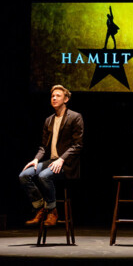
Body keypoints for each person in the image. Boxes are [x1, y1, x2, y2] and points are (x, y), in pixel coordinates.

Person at [19, 85, 84, 227]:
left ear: (66, 99)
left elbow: (77, 145)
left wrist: (62, 159)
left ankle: (52, 211)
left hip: (66, 164)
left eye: (58, 96)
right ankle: (41, 207)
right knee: (24, 175)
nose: (54, 98)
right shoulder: (49, 120)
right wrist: (36, 159)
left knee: (43, 176)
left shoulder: (75, 117)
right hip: (51, 161)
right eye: (52, 96)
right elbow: (43, 146)